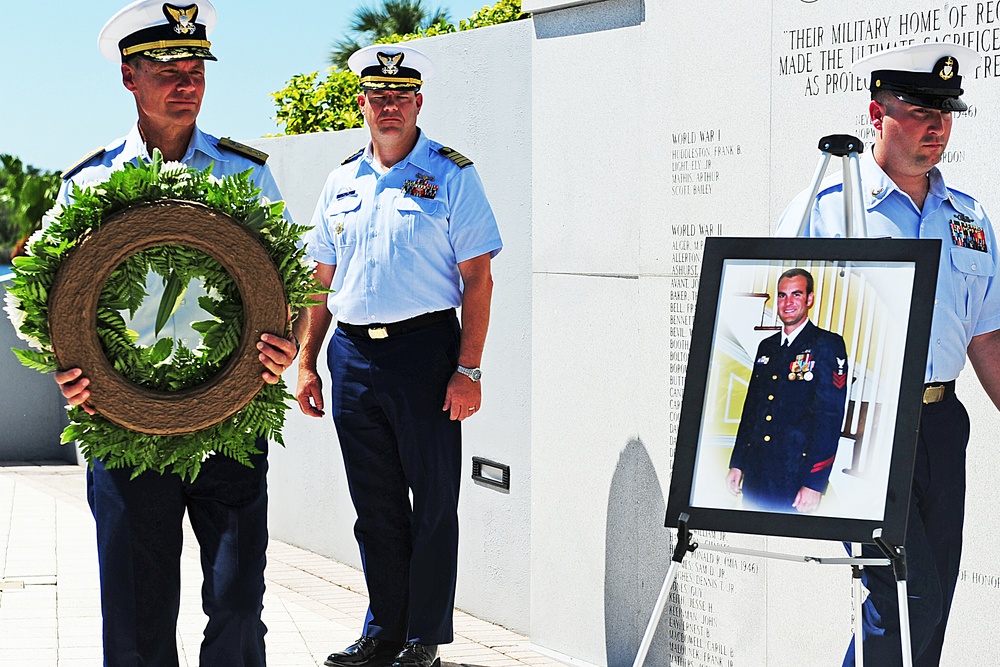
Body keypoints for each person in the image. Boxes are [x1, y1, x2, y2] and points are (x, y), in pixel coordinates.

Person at [53, 2, 297, 664]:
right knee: (137, 620)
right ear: (129, 77)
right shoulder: (88, 183)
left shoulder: (247, 175)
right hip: (125, 431)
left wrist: (287, 343)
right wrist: (64, 365)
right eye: (168, 69)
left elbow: (284, 286)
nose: (187, 82)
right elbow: (48, 297)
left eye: (196, 68)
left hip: (231, 424)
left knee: (240, 603)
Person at [775, 43, 1000, 667]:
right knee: (906, 598)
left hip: (942, 424)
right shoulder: (826, 211)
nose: (937, 126)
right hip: (859, 423)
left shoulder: (970, 219)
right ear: (877, 114)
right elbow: (779, 317)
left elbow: (985, 336)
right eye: (921, 110)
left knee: (932, 603)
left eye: (946, 112)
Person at [294, 44, 502, 667]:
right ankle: (383, 631)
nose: (388, 106)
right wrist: (308, 358)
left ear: (418, 102)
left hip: (425, 354)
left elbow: (478, 279)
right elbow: (319, 281)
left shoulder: (452, 174)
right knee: (374, 506)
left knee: (434, 504)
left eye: (400, 95)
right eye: (377, 96)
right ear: (360, 103)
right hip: (353, 357)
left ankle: (425, 639)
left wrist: (468, 370)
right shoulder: (339, 182)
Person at [726, 268, 849, 513]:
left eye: (796, 295)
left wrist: (814, 483)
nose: (788, 302)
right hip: (757, 470)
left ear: (810, 299)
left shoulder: (826, 345)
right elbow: (752, 410)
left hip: (794, 475)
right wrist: (738, 463)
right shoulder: (767, 347)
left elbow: (829, 419)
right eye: (782, 296)